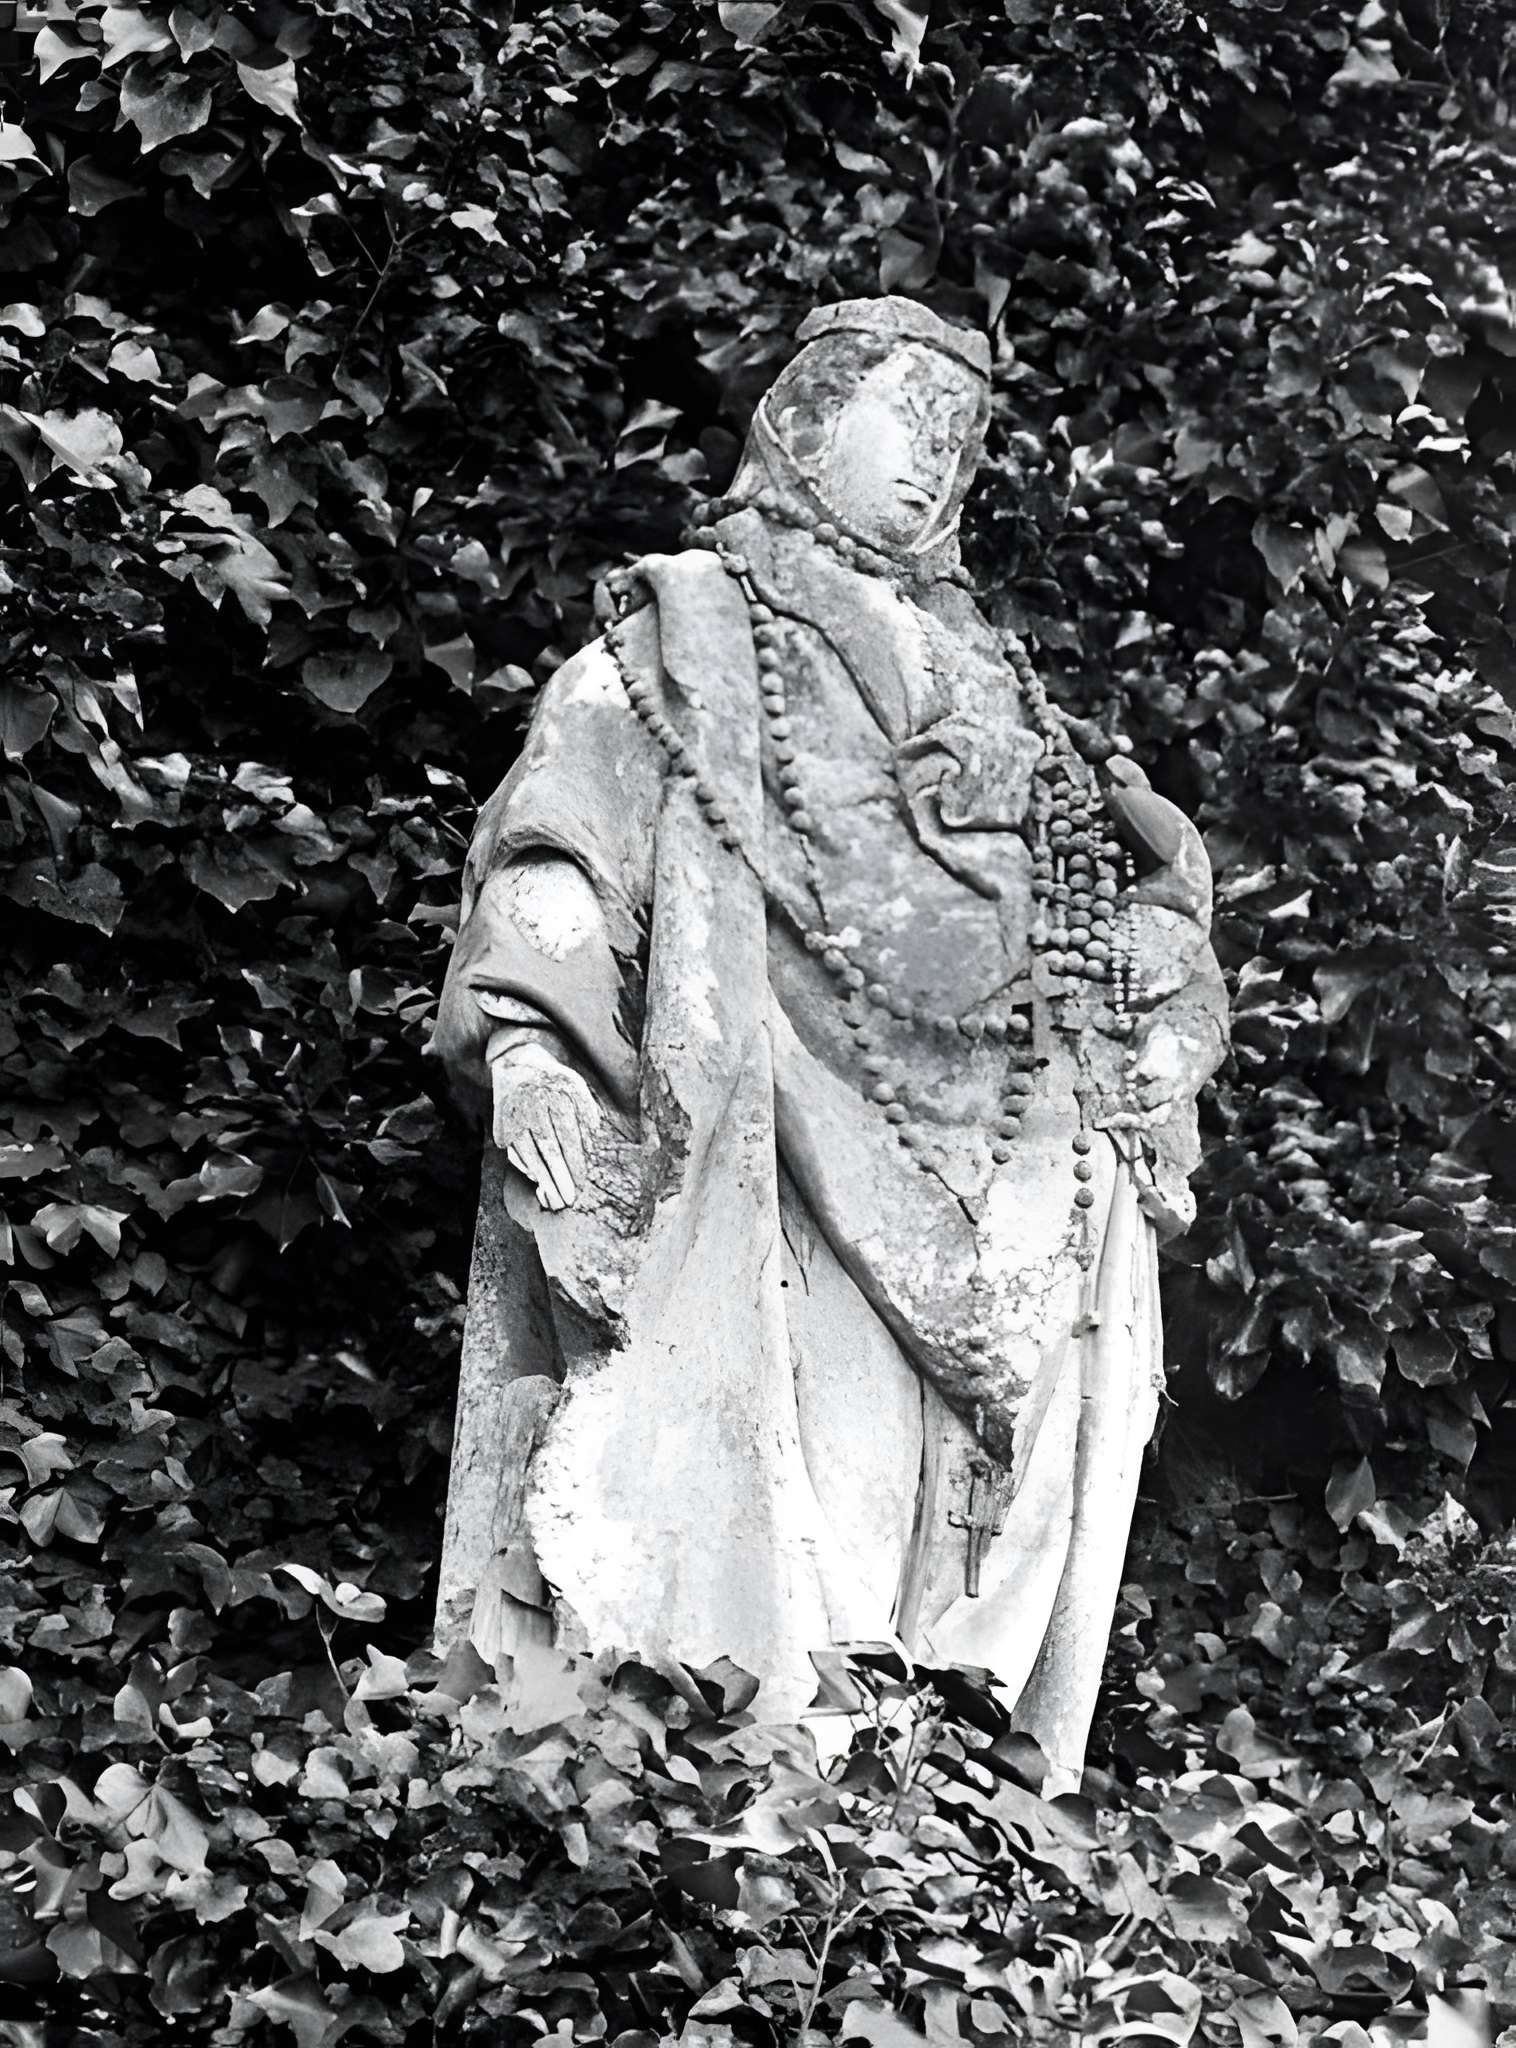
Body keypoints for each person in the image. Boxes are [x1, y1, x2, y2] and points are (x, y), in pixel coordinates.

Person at [431, 296, 1227, 1790]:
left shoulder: (999, 686)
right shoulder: (692, 632)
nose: (936, 465)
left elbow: (1090, 915)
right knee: (792, 1489)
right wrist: (533, 1041)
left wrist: (1148, 970)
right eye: (908, 421)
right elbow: (566, 833)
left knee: (961, 1505)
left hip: (1008, 1157)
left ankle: (938, 1801)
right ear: (806, 420)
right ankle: (771, 1789)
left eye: (962, 440)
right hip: (770, 1132)